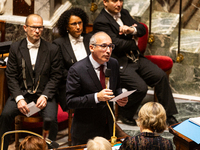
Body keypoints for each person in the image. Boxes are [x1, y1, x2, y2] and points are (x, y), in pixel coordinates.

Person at [93, 0, 178, 126]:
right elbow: (115, 45)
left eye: (121, 0)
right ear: (105, 2)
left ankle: (169, 115)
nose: (119, 4)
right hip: (118, 62)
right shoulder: (101, 21)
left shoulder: (124, 13)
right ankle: (124, 113)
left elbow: (142, 29)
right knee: (140, 87)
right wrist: (134, 41)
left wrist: (131, 30)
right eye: (114, 1)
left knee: (160, 76)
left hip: (135, 58)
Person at [0, 14, 62, 150]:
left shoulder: (52, 49)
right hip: (22, 93)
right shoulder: (16, 48)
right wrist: (18, 98)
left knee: (51, 119)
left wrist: (45, 95)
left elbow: (56, 76)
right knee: (5, 115)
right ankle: (2, 147)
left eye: (40, 27)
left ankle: (49, 148)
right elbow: (10, 75)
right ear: (25, 28)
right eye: (34, 27)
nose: (37, 31)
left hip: (44, 93)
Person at [66, 31, 128, 145]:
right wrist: (96, 97)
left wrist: (120, 96)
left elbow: (117, 87)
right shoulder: (77, 70)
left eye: (110, 46)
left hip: (108, 128)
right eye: (104, 46)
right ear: (91, 48)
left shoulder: (113, 63)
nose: (108, 51)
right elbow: (70, 101)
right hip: (86, 131)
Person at [53, 8, 91, 110]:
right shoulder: (58, 44)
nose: (78, 27)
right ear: (66, 27)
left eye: (80, 23)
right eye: (73, 24)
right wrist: (80, 81)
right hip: (70, 87)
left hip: (91, 84)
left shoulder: (90, 39)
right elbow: (60, 71)